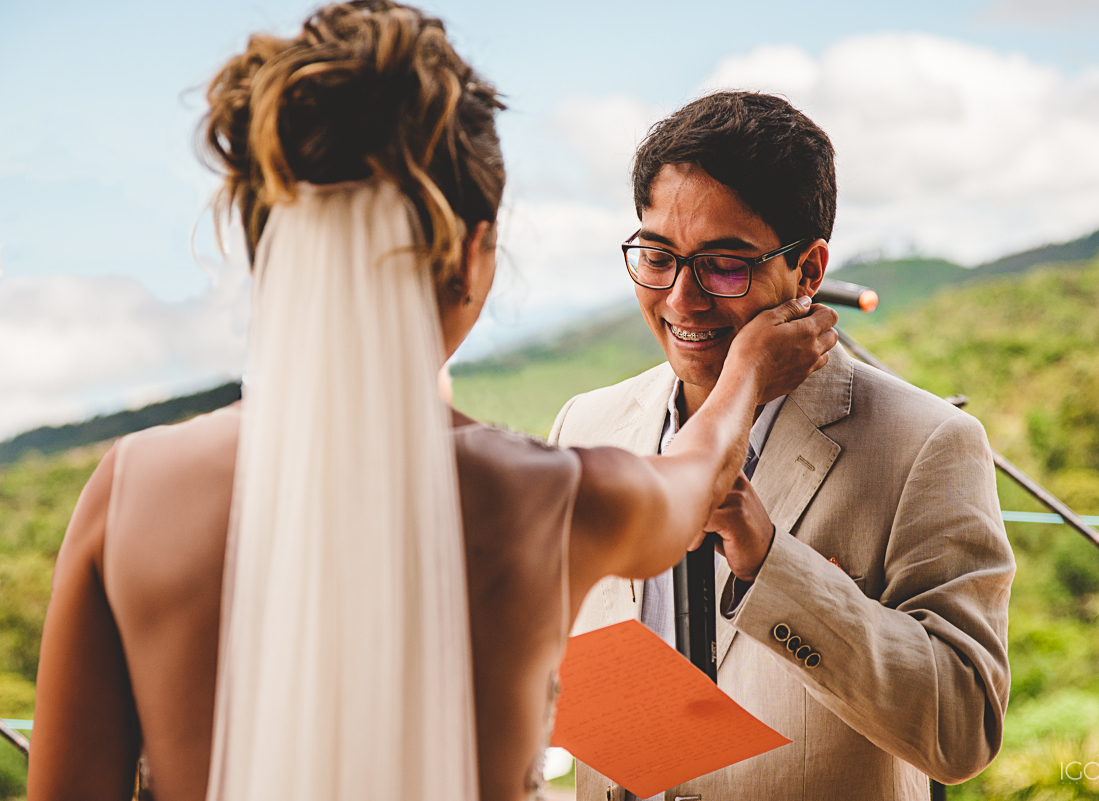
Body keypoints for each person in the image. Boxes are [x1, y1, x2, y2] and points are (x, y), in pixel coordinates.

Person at [26, 7, 838, 801]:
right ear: (474, 250)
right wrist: (750, 376)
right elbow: (697, 478)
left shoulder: (130, 487)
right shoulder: (543, 492)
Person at [549, 91, 1017, 801]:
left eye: (724, 266)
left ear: (810, 269)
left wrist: (771, 559)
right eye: (658, 256)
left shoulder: (928, 444)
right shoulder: (586, 424)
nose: (681, 299)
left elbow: (962, 728)